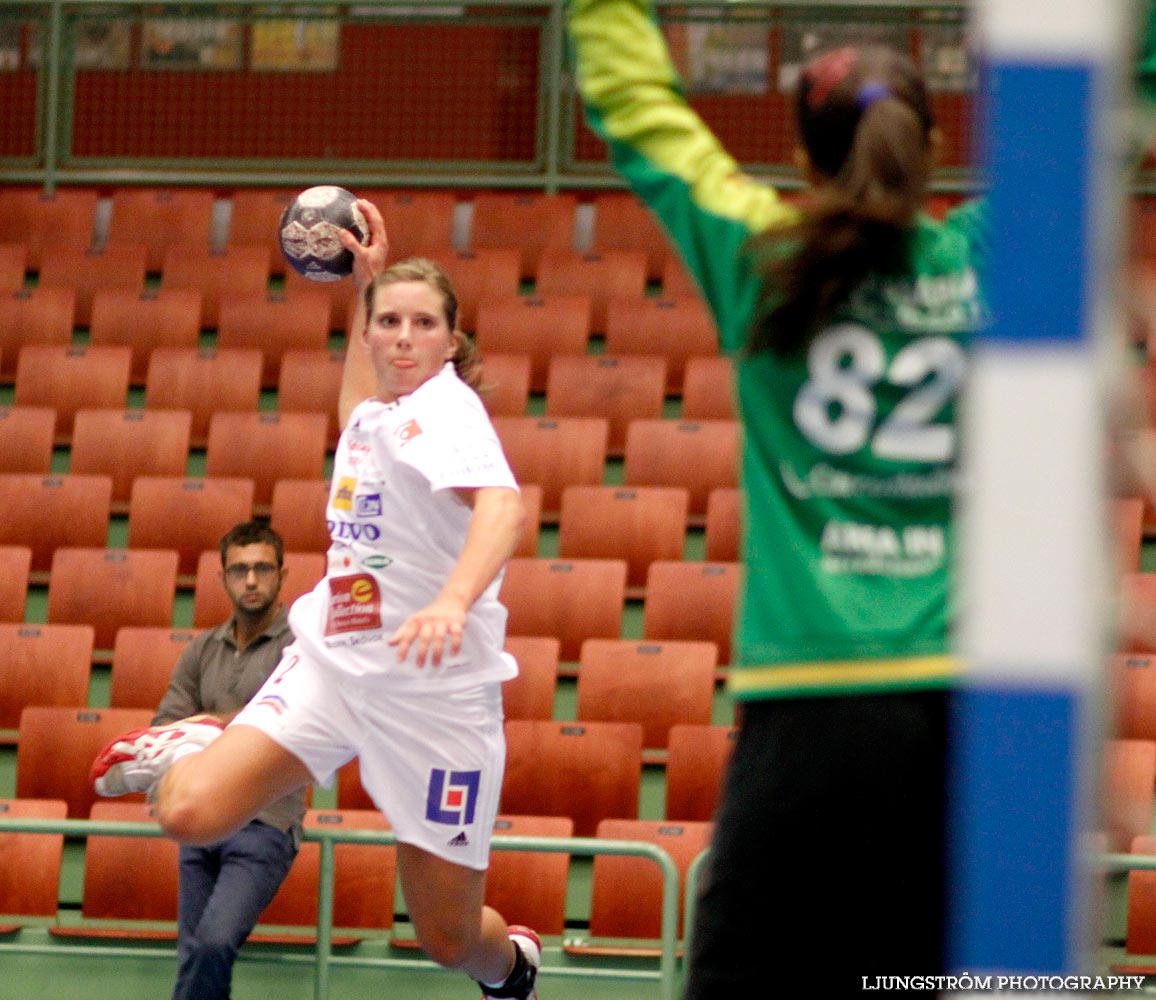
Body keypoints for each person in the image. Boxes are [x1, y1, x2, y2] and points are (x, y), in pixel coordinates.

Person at [569, 3, 987, 994]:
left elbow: (633, 102)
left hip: (806, 712)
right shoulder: (1001, 252)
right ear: (930, 145)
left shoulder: (760, 255)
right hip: (963, 713)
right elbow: (1122, 100)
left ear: (799, 155)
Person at [91, 215, 539, 1000]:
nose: (403, 338)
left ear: (452, 340)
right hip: (332, 670)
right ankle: (201, 740)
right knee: (186, 814)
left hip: (436, 702)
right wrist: (365, 285)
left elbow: (503, 506)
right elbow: (355, 404)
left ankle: (514, 970)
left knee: (448, 939)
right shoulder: (377, 413)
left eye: (423, 324)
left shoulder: (446, 412)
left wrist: (452, 601)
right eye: (388, 324)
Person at [154, 521, 304, 1000]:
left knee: (213, 943)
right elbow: (167, 729)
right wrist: (234, 725)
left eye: (262, 568)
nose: (252, 580)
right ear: (223, 579)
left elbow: (287, 727)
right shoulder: (201, 649)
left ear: (283, 574)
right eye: (239, 570)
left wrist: (206, 725)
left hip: (266, 824)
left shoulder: (300, 648)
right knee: (194, 951)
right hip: (203, 820)